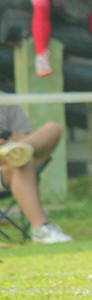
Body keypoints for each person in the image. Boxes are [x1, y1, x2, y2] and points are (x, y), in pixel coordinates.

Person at [0, 97, 72, 243]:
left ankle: (12, 151)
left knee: (53, 128)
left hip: (15, 160)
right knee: (21, 162)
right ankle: (40, 228)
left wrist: (13, 144)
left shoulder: (5, 101)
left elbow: (25, 134)